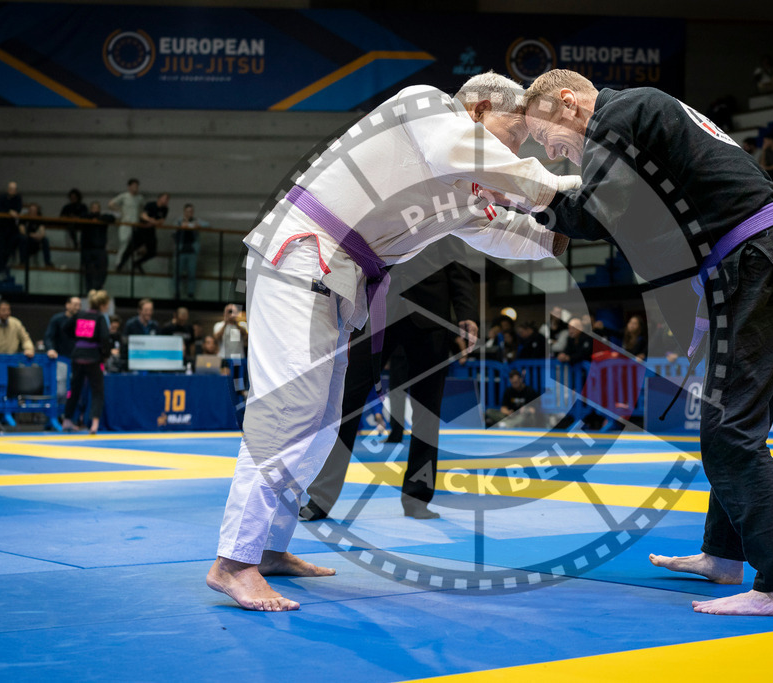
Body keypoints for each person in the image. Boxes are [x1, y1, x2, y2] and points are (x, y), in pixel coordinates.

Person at [207, 71, 576, 612]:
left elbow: (502, 232)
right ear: (476, 109)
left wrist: (568, 230)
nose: (511, 150)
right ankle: (232, 563)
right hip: (301, 256)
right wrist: (562, 187)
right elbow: (475, 156)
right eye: (509, 134)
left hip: (339, 277)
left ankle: (266, 549)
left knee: (321, 420)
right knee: (290, 410)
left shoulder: (464, 184)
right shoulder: (424, 108)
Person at [520, 68, 773, 616]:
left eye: (543, 136)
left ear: (567, 103)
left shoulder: (621, 115)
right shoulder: (636, 116)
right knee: (729, 423)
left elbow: (606, 209)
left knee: (730, 430)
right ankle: (724, 557)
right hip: (755, 260)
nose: (551, 150)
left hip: (753, 259)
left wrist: (529, 200)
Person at [300, 239, 479, 523]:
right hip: (377, 308)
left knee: (427, 412)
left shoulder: (448, 205)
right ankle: (321, 496)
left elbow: (458, 266)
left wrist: (467, 313)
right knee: (346, 404)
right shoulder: (380, 200)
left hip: (429, 313)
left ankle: (418, 498)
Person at [61, 290, 112, 434]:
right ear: (102, 304)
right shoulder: (99, 317)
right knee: (97, 391)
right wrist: (105, 355)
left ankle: (67, 420)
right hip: (93, 358)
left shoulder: (80, 314)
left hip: (77, 355)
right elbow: (105, 338)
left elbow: (65, 327)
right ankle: (94, 424)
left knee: (74, 389)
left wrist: (78, 339)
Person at [118, 192, 168, 273]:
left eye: (167, 199)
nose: (166, 201)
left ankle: (137, 263)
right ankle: (120, 265)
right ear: (160, 198)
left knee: (152, 252)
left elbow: (161, 221)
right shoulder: (151, 205)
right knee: (130, 249)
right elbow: (143, 215)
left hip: (151, 231)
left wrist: (153, 222)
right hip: (141, 231)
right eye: (165, 198)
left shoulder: (165, 209)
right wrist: (151, 220)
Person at [108, 178, 143, 271]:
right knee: (124, 243)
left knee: (133, 246)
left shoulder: (140, 198)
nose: (135, 188)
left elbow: (142, 209)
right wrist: (120, 211)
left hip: (135, 225)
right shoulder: (124, 196)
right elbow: (111, 203)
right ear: (129, 187)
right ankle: (118, 263)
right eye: (133, 186)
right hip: (125, 223)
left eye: (137, 186)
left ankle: (130, 266)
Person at [174, 203, 207, 299]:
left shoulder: (196, 220)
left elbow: (207, 225)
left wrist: (197, 225)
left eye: (191, 211)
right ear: (184, 212)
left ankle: (190, 293)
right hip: (181, 250)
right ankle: (177, 293)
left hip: (192, 251)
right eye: (188, 211)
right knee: (178, 274)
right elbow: (173, 229)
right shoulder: (179, 220)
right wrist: (181, 226)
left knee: (192, 274)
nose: (190, 213)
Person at [0, 181, 22, 281]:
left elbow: (18, 210)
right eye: (10, 189)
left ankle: (3, 269)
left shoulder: (18, 198)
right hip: (1, 227)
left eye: (14, 189)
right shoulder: (1, 197)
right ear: (7, 189)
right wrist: (9, 211)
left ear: (16, 190)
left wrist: (11, 212)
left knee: (8, 249)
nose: (12, 191)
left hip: (12, 228)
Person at [80, 201, 112, 290]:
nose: (95, 209)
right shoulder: (86, 218)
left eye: (97, 208)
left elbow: (111, 218)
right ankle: (89, 291)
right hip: (87, 248)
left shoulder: (102, 218)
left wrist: (98, 218)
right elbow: (81, 217)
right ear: (90, 209)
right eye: (93, 208)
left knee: (102, 271)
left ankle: (98, 288)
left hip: (100, 248)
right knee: (88, 271)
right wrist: (92, 217)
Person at [19, 203, 56, 269]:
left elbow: (42, 232)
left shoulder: (39, 219)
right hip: (27, 237)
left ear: (37, 211)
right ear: (29, 211)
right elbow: (22, 231)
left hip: (35, 238)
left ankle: (47, 263)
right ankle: (22, 262)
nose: (32, 212)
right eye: (31, 210)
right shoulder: (24, 218)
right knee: (23, 239)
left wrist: (39, 236)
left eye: (34, 210)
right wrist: (30, 235)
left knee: (45, 240)